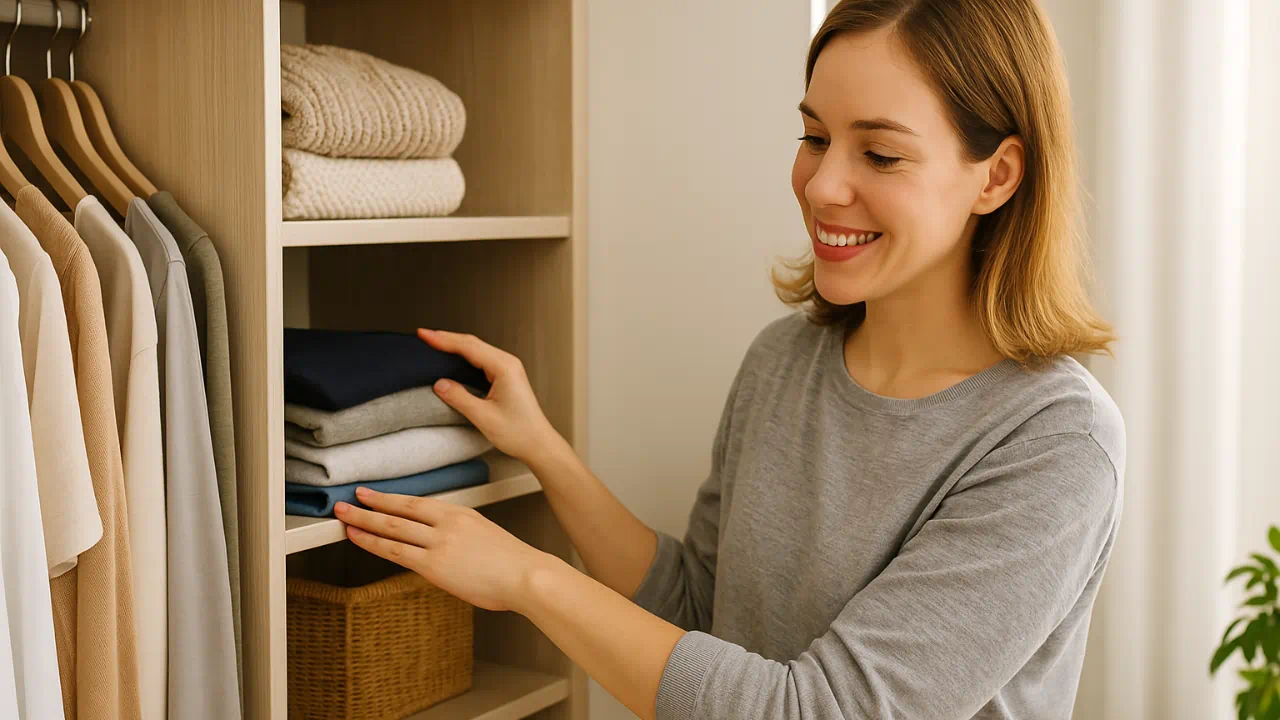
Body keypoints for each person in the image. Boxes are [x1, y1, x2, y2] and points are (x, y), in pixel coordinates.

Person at [334, 0, 1126, 717]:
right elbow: (698, 610)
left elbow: (818, 711)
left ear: (998, 176)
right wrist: (542, 450)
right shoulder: (785, 361)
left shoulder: (1054, 443)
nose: (822, 187)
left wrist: (529, 579)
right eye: (814, 137)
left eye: (880, 155)